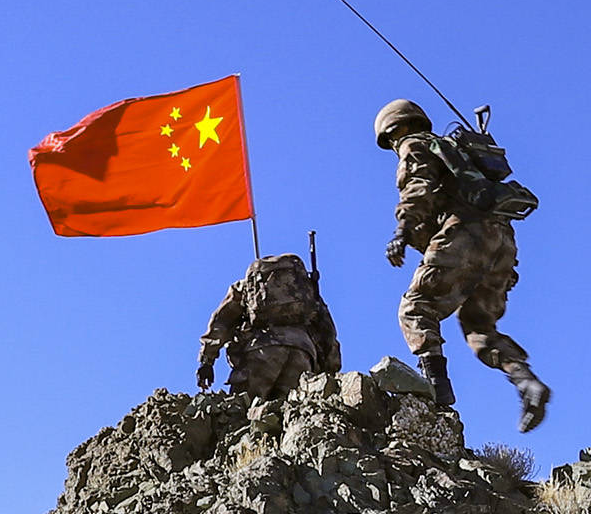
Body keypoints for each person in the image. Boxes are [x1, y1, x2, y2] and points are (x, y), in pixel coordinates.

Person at [376, 98, 550, 431]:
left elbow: (417, 189)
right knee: (479, 329)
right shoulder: (458, 154)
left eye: (392, 138)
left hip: (464, 233)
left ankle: (437, 392)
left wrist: (401, 232)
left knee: (415, 307)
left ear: (398, 127)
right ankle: (526, 381)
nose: (395, 144)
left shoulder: (415, 145)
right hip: (501, 242)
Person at [195, 253, 339, 400]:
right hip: (303, 354)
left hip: (261, 350)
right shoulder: (308, 292)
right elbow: (328, 332)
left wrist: (207, 360)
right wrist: (331, 374)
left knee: (242, 412)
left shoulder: (246, 288)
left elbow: (221, 322)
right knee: (289, 414)